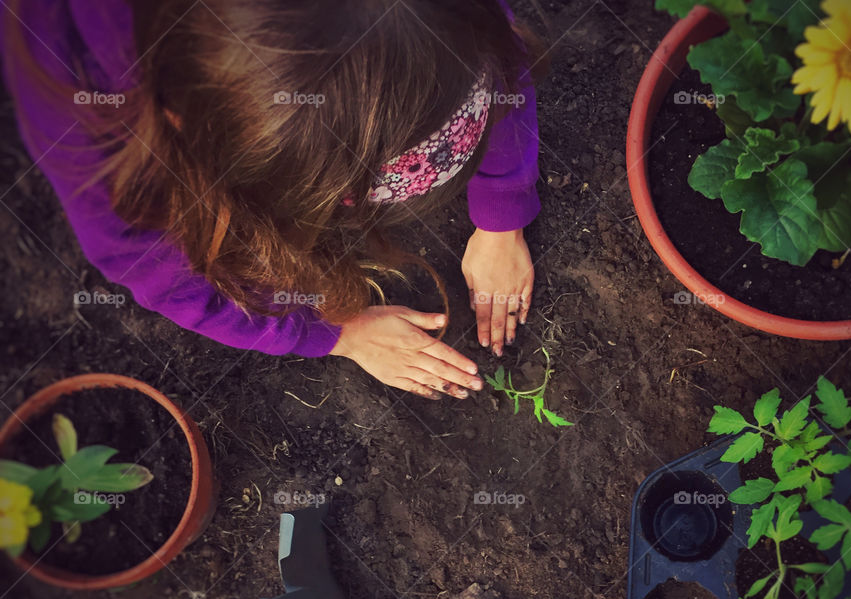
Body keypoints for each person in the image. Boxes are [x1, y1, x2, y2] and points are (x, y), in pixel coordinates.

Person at [1, 0, 542, 400]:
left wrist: (501, 214)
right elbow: (166, 274)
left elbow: (493, 57)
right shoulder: (98, 137)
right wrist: (335, 331)